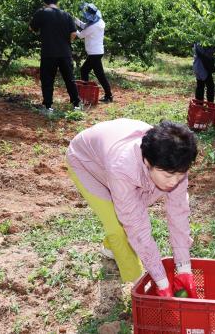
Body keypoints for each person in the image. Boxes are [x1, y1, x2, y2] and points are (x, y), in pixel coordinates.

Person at [66, 119, 198, 297]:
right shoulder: (123, 168)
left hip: (112, 152)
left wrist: (184, 269)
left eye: (180, 175)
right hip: (85, 162)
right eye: (168, 175)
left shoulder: (175, 161)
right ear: (147, 162)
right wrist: (160, 281)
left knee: (128, 209)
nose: (174, 181)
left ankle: (110, 247)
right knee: (119, 228)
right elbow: (137, 227)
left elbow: (178, 213)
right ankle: (138, 284)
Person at [29, 0, 81, 113]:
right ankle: (77, 105)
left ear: (45, 3)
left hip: (48, 52)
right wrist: (66, 43)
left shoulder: (41, 12)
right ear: (57, 3)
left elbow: (32, 28)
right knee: (69, 79)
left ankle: (48, 107)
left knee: (47, 80)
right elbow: (73, 33)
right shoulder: (66, 15)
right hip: (65, 53)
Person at [74, 3, 113, 103]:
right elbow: (84, 26)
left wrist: (72, 28)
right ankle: (107, 95)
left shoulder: (94, 26)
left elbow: (81, 35)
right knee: (89, 71)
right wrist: (74, 20)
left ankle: (104, 95)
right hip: (96, 52)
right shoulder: (98, 21)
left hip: (94, 53)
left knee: (90, 72)